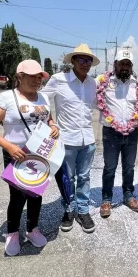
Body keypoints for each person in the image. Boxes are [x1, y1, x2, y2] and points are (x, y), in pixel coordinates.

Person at [0, 60, 59, 256]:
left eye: (39, 77)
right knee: (17, 197)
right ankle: (12, 233)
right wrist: (8, 146)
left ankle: (32, 229)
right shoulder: (5, 98)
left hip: (40, 153)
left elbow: (48, 118)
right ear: (19, 76)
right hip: (16, 154)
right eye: (31, 76)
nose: (36, 80)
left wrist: (53, 126)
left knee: (36, 194)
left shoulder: (43, 97)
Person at [42, 44, 99, 234]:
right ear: (73, 61)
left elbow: (100, 105)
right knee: (68, 178)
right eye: (81, 59)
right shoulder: (59, 80)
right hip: (66, 139)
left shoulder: (93, 83)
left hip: (88, 139)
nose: (85, 64)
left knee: (84, 177)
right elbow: (41, 101)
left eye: (88, 60)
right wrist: (51, 122)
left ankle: (83, 211)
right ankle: (68, 209)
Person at [97, 49, 138, 218]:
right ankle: (106, 198)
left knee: (129, 167)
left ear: (131, 66)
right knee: (110, 167)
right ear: (115, 64)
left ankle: (128, 195)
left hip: (132, 131)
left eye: (128, 64)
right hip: (110, 132)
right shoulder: (103, 81)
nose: (125, 67)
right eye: (122, 63)